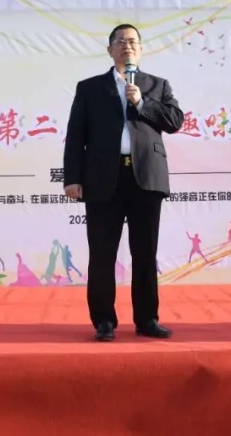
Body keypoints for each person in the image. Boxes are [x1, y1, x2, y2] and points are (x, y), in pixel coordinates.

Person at [63, 24, 184, 342]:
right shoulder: (89, 88)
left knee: (145, 252)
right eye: (120, 41)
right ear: (110, 50)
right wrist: (72, 178)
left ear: (140, 49)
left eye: (132, 41)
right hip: (102, 178)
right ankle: (103, 320)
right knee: (102, 252)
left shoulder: (156, 85)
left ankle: (147, 319)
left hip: (146, 178)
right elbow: (76, 135)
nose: (126, 45)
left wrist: (142, 102)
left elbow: (175, 121)